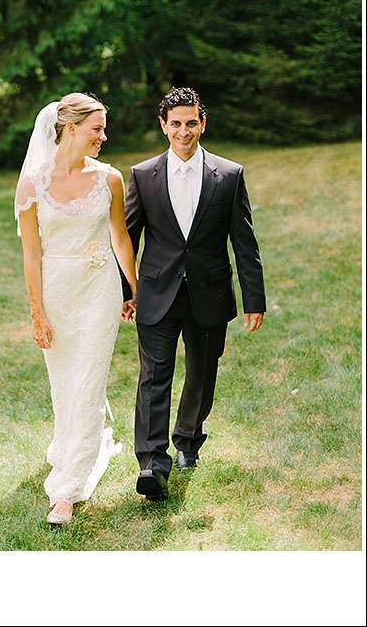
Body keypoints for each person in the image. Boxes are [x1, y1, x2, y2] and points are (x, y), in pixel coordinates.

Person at [122, 86, 266, 502]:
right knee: (154, 377)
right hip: (157, 293)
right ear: (163, 126)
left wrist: (253, 299)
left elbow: (245, 242)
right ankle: (152, 463)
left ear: (203, 124)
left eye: (190, 123)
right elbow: (127, 238)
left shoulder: (229, 174)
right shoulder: (144, 175)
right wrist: (124, 291)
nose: (183, 132)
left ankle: (187, 440)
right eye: (175, 124)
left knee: (202, 373)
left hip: (209, 293)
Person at [15, 92, 138, 526]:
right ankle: (71, 446)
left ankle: (66, 489)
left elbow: (120, 237)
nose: (104, 136)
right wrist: (37, 313)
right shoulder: (32, 186)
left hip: (99, 290)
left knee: (88, 380)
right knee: (64, 382)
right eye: (97, 128)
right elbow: (32, 255)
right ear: (70, 129)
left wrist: (133, 288)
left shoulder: (110, 180)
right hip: (57, 292)